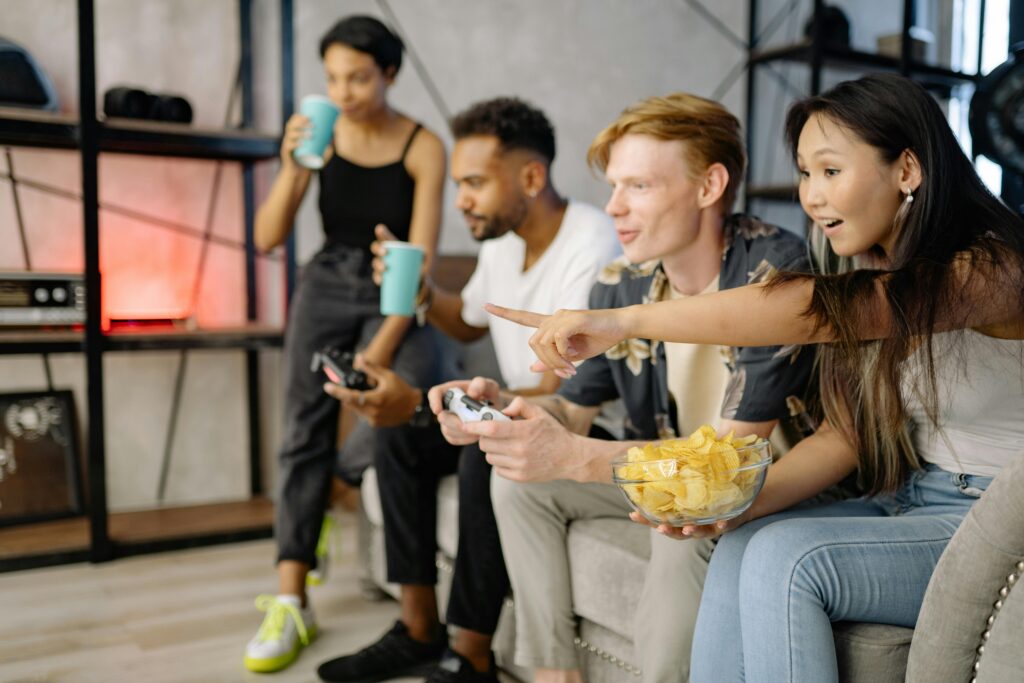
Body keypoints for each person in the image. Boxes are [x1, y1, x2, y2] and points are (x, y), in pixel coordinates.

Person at [488, 74, 1024, 682]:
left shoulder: (994, 268)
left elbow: (809, 310)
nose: (812, 197)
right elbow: (843, 436)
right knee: (741, 544)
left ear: (907, 169)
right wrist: (732, 509)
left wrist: (621, 321)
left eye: (830, 171)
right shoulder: (864, 262)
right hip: (911, 498)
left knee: (786, 559)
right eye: (804, 174)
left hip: (994, 518)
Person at [433, 92, 816, 683]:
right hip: (667, 468)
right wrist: (507, 407)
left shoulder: (773, 273)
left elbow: (720, 474)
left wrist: (578, 454)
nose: (613, 207)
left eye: (638, 186)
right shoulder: (621, 282)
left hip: (757, 483)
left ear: (709, 186)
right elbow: (573, 410)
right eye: (613, 187)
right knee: (518, 486)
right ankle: (554, 673)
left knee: (679, 531)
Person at [315, 97, 621, 683]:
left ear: (531, 177)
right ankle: (417, 630)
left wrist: (429, 401)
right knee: (397, 433)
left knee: (490, 452)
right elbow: (469, 320)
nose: (460, 200)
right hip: (517, 405)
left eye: (475, 183)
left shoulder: (592, 245)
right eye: (458, 183)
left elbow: (551, 390)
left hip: (587, 420)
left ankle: (470, 656)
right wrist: (422, 291)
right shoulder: (504, 238)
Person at [243, 15, 448, 674]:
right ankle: (290, 599)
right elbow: (268, 237)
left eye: (359, 76)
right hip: (327, 278)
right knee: (300, 430)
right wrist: (290, 166)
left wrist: (381, 347)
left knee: (387, 415)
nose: (345, 90)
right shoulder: (321, 138)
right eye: (333, 78)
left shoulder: (422, 146)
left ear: (389, 73)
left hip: (394, 284)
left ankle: (333, 489)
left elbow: (417, 261)